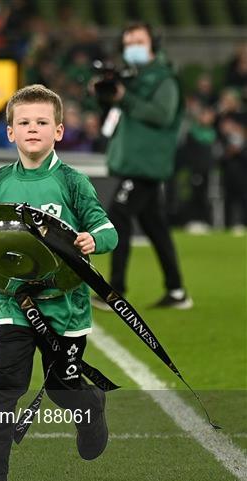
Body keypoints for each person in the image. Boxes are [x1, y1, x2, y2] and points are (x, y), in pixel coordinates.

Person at [0, 84, 118, 481]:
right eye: (23, 122)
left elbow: (107, 229)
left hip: (65, 309)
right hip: (15, 307)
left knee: (63, 390)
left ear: (59, 130)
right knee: (3, 389)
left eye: (42, 122)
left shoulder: (72, 181)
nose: (33, 129)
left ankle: (90, 405)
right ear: (10, 132)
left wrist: (90, 241)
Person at [92, 22, 193, 310]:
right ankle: (176, 291)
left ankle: (115, 292)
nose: (133, 47)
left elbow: (162, 115)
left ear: (153, 44)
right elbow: (113, 112)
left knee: (118, 216)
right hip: (137, 164)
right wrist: (105, 93)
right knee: (155, 228)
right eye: (128, 42)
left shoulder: (164, 80)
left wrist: (126, 98)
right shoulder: (132, 78)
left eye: (139, 40)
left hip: (147, 165)